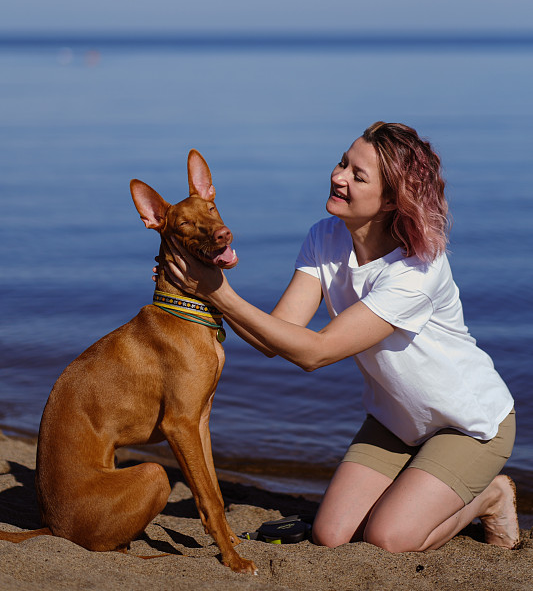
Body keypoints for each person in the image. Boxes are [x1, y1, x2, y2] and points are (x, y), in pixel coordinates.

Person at [159, 121, 519, 553]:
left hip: (470, 424)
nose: (338, 176)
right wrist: (200, 291)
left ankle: (489, 495)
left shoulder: (417, 270)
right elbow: (277, 338)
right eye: (342, 162)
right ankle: (422, 483)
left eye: (357, 175)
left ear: (390, 202)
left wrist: (216, 291)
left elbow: (317, 353)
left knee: (388, 538)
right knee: (330, 536)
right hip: (395, 422)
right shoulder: (325, 237)